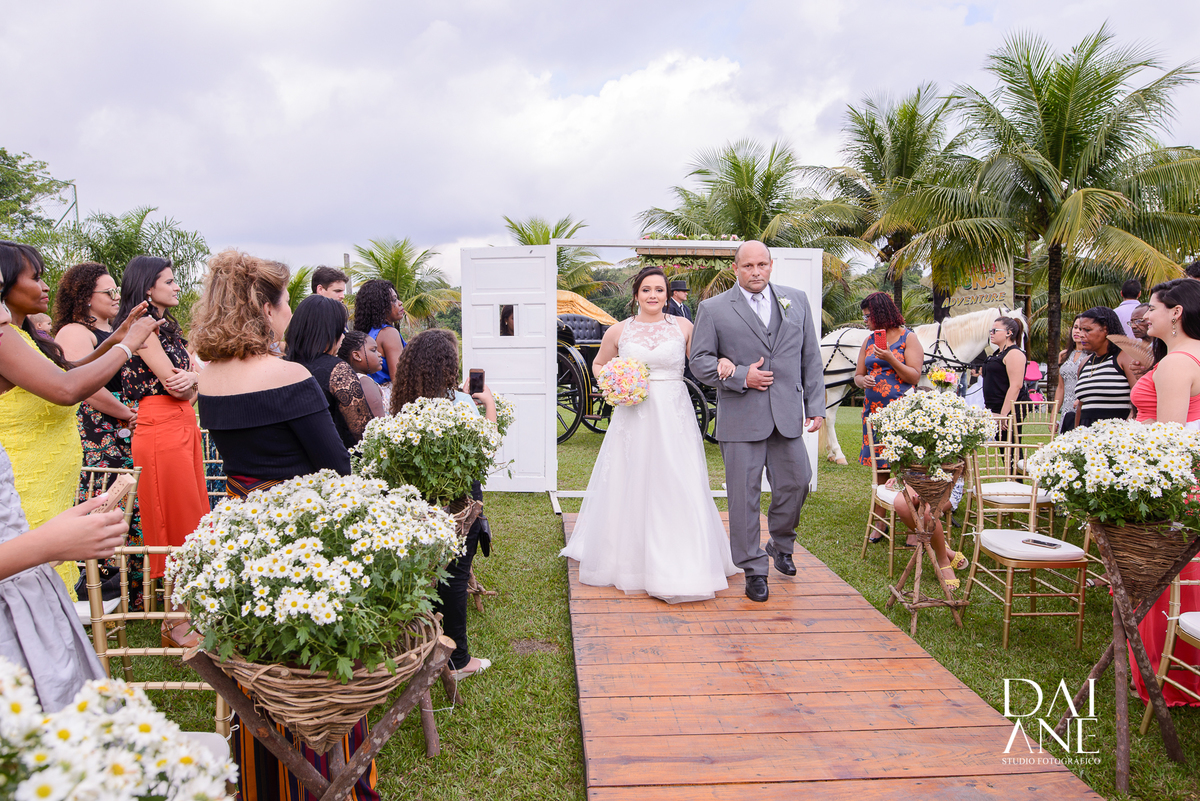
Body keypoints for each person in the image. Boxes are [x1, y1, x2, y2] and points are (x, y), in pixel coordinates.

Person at [190, 250, 372, 801]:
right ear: (262, 308)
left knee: (259, 661)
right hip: (299, 533)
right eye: (285, 299)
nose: (290, 311)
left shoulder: (211, 378)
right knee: (313, 664)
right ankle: (328, 781)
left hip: (241, 527)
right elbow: (335, 467)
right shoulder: (288, 375)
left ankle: (266, 782)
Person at [0, 257, 151, 713]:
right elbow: (66, 388)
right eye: (33, 276)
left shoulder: (21, 335)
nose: (44, 285)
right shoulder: (6, 334)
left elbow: (67, 370)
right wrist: (127, 349)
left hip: (43, 481)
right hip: (25, 481)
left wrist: (121, 334)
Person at [563, 266, 739, 602]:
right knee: (632, 476)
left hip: (674, 411)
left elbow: (702, 358)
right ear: (636, 295)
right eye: (646, 290)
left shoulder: (684, 326)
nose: (653, 295)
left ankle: (683, 556)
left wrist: (725, 361)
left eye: (659, 289)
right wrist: (614, 381)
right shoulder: (618, 331)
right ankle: (627, 559)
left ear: (667, 294)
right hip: (634, 413)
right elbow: (599, 365)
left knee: (676, 477)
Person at [689, 241, 825, 602]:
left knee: (798, 482)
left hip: (786, 415)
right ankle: (753, 568)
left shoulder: (795, 299)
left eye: (762, 264)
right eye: (748, 266)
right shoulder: (713, 309)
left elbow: (810, 356)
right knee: (743, 496)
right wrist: (741, 376)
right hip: (741, 417)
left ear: (771, 264)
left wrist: (816, 405)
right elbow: (699, 361)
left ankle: (780, 543)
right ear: (736, 268)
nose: (756, 272)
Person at [392, 329, 495, 678]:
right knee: (456, 574)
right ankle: (458, 660)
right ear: (446, 367)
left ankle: (417, 645)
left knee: (425, 573)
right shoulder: (460, 404)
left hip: (419, 499)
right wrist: (489, 405)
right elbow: (485, 450)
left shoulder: (402, 403)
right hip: (460, 501)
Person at [114, 256, 208, 597]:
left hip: (182, 421)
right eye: (169, 281)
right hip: (160, 427)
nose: (177, 286)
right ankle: (175, 616)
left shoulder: (168, 328)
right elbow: (174, 383)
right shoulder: (141, 327)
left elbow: (191, 391)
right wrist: (195, 379)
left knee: (193, 512)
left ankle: (189, 604)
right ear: (147, 288)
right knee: (172, 515)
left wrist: (194, 379)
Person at [1127, 277, 1200, 708]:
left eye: (1152, 308)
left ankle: (1166, 676)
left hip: (1172, 483)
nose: (1145, 315)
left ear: (1175, 312)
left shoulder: (1176, 363)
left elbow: (1169, 441)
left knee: (1163, 578)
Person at [53, 262, 143, 604]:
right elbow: (84, 386)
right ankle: (101, 585)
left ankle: (134, 588)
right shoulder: (75, 331)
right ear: (84, 298)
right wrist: (126, 413)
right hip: (102, 429)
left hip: (125, 426)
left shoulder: (117, 328)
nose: (115, 297)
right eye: (108, 292)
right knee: (106, 499)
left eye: (116, 290)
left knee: (130, 505)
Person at [853, 292, 924, 541]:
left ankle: (911, 522)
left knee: (904, 466)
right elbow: (858, 375)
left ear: (881, 314)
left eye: (868, 316)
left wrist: (891, 358)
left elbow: (914, 377)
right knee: (880, 465)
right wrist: (864, 380)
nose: (865, 321)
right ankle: (881, 520)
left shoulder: (909, 338)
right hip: (874, 412)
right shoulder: (868, 340)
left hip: (902, 413)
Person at [285, 294, 373, 447]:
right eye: (340, 331)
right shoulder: (337, 370)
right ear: (329, 332)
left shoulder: (284, 365)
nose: (343, 337)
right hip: (335, 461)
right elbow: (363, 431)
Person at [1073, 306, 1138, 427]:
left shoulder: (1124, 358)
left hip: (1116, 437)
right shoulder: (1084, 364)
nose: (1081, 335)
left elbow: (1138, 400)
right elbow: (1081, 406)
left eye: (1087, 330)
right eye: (1080, 329)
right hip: (1087, 437)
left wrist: (1127, 433)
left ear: (1106, 329)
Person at [352, 279, 406, 407]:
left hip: (374, 396)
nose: (399, 303)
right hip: (391, 398)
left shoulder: (368, 334)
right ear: (380, 306)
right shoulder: (388, 333)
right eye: (393, 300)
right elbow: (399, 379)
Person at [982, 316, 1029, 431]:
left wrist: (1004, 414)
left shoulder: (1014, 354)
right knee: (1002, 446)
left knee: (1010, 446)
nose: (991, 334)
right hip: (994, 406)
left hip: (1008, 408)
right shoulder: (997, 354)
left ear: (1008, 333)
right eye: (990, 331)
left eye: (995, 331)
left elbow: (1016, 386)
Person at [337, 331, 386, 418]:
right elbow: (379, 422)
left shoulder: (350, 379)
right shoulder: (365, 382)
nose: (379, 354)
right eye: (373, 350)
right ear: (357, 356)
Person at [1055, 316, 1087, 433]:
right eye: (1075, 327)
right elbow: (1060, 387)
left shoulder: (1092, 355)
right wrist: (1054, 415)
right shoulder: (1063, 355)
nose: (1077, 331)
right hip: (1066, 406)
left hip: (1081, 405)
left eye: (1082, 328)